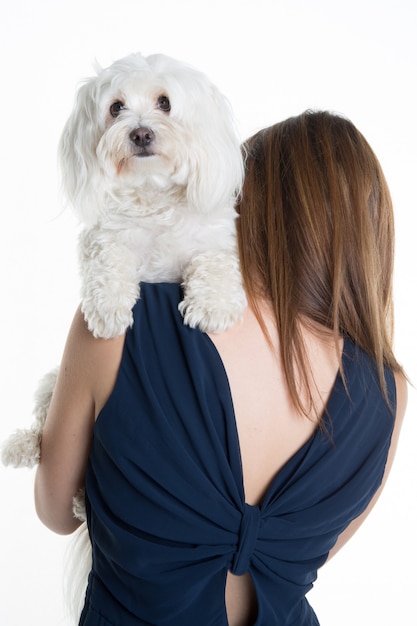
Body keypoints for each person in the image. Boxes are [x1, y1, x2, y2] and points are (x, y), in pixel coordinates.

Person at [34, 110, 407, 626]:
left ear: (247, 203)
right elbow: (303, 557)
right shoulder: (388, 391)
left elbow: (55, 511)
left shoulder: (122, 320)